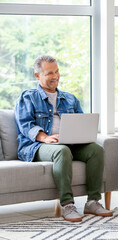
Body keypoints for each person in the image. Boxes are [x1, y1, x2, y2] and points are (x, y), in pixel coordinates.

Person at [14, 55, 112, 222]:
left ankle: (93, 202)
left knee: (96, 150)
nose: (55, 76)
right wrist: (44, 137)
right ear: (37, 76)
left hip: (69, 143)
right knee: (62, 151)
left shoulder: (70, 98)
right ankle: (67, 204)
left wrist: (82, 135)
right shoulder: (28, 97)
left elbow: (81, 122)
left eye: (57, 71)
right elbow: (25, 125)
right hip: (36, 146)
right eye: (50, 73)